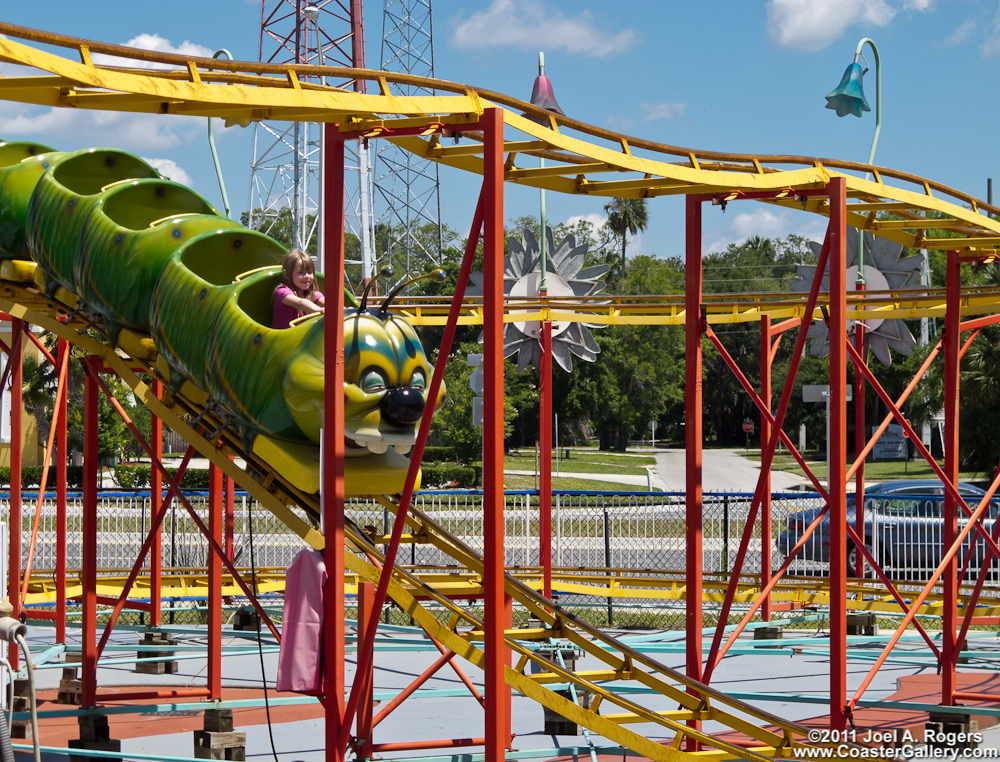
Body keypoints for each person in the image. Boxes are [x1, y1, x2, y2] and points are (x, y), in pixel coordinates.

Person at [272, 249, 325, 329]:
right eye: (300, 272)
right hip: (283, 339)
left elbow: (327, 303)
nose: (306, 276)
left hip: (302, 338)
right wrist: (320, 309)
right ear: (286, 274)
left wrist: (343, 310)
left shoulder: (313, 294)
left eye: (310, 272)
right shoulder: (282, 291)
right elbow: (300, 303)